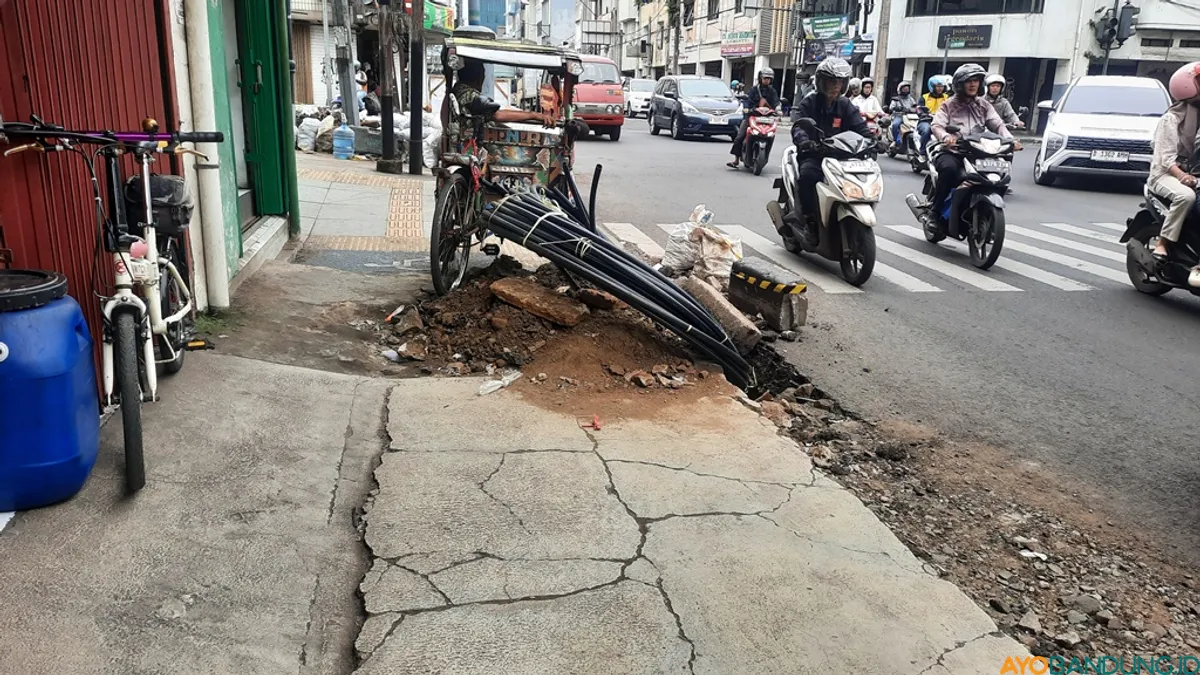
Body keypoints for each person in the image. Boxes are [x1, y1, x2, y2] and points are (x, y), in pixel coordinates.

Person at [928, 63, 1019, 228]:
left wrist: (1011, 140)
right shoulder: (949, 105)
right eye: (968, 80)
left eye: (976, 80)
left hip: (979, 152)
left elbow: (998, 125)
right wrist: (946, 137)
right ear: (959, 84)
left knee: (999, 171)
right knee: (949, 170)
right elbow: (937, 125)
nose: (973, 84)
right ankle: (935, 212)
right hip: (954, 151)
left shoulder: (984, 105)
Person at [790, 58, 868, 229]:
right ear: (821, 82)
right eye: (832, 81)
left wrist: (874, 141)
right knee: (808, 176)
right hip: (815, 154)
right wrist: (805, 142)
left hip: (841, 157)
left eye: (840, 82)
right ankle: (808, 220)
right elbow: (799, 126)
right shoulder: (809, 103)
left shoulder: (845, 104)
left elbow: (860, 126)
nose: (836, 86)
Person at [1148, 61, 1200, 285]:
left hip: (1193, 174)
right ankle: (1163, 242)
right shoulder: (1171, 119)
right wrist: (1183, 177)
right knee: (1186, 196)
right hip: (1165, 175)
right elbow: (1166, 159)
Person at [454, 58, 553, 130]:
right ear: (480, 77)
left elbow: (495, 112)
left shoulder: (459, 90)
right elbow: (497, 115)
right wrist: (533, 115)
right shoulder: (470, 95)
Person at [727, 68, 781, 168]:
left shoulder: (772, 91)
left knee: (771, 135)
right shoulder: (754, 90)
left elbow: (776, 102)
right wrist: (747, 108)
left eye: (769, 79)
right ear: (760, 78)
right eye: (765, 78)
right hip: (752, 116)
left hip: (767, 118)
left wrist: (778, 109)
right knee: (740, 137)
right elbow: (747, 100)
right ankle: (736, 160)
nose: (767, 81)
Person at [918, 74, 951, 158]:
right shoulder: (924, 97)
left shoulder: (947, 97)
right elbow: (919, 108)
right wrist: (922, 113)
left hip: (942, 121)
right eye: (938, 86)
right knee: (926, 131)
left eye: (942, 86)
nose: (940, 88)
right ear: (932, 86)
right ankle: (922, 153)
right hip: (926, 121)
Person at [889, 80, 918, 145]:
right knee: (895, 125)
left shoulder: (911, 99)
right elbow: (891, 108)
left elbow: (915, 106)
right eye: (904, 89)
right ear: (900, 89)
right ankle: (896, 139)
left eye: (907, 89)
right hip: (899, 116)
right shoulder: (896, 99)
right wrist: (897, 108)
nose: (906, 90)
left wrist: (916, 109)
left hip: (909, 117)